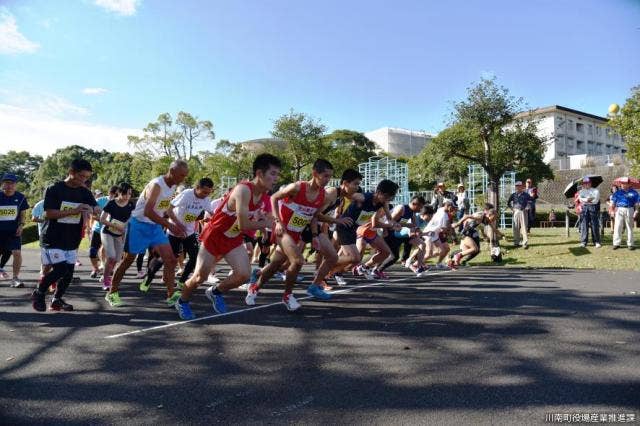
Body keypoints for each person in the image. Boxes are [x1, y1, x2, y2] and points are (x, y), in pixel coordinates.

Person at [174, 154, 280, 320]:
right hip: (214, 236)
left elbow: (264, 218)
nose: (276, 178)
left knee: (244, 274)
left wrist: (270, 220)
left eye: (277, 174)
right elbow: (245, 224)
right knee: (199, 277)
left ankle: (215, 291)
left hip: (233, 238)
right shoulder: (243, 190)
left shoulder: (264, 195)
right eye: (273, 174)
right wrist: (267, 224)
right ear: (259, 173)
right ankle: (182, 301)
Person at [245, 159, 335, 310]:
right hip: (282, 230)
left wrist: (314, 236)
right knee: (298, 261)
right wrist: (277, 221)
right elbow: (274, 198)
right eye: (325, 176)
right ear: (314, 173)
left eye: (330, 177)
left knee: (275, 265)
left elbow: (313, 216)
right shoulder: (297, 187)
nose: (327, 180)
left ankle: (254, 288)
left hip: (296, 233)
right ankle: (288, 296)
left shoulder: (322, 196)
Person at [104, 160, 189, 307]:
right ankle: (112, 292)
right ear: (172, 171)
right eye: (181, 175)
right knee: (128, 260)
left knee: (171, 260)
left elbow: (164, 207)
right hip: (138, 225)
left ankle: (170, 295)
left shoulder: (173, 185)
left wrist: (176, 223)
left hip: (155, 227)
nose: (183, 178)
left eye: (185, 175)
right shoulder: (156, 185)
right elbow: (147, 211)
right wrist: (169, 225)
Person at [31, 159, 99, 312]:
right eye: (81, 176)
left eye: (87, 177)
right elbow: (49, 213)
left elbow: (95, 206)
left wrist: (95, 210)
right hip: (53, 237)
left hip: (72, 238)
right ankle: (39, 292)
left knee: (68, 273)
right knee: (60, 270)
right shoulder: (54, 189)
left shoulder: (84, 192)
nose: (84, 180)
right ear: (71, 172)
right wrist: (74, 211)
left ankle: (56, 300)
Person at [139, 177, 214, 292]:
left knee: (195, 257)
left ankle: (182, 281)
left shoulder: (206, 199)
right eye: (204, 192)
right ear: (197, 188)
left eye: (209, 193)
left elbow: (212, 214)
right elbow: (169, 210)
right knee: (164, 258)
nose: (206, 195)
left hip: (188, 232)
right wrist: (178, 225)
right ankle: (148, 278)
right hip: (174, 230)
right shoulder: (186, 194)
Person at [333, 180, 400, 281]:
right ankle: (330, 266)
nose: (388, 200)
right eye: (386, 197)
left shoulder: (383, 203)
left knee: (381, 253)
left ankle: (336, 270)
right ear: (379, 192)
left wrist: (394, 224)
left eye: (390, 197)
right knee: (354, 258)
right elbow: (345, 193)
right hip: (344, 227)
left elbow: (390, 219)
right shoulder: (364, 197)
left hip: (355, 229)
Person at [378, 196, 427, 276]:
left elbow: (414, 225)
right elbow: (389, 221)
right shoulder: (402, 208)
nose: (420, 210)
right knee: (393, 257)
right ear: (415, 204)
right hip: (389, 233)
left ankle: (418, 266)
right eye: (420, 207)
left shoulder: (413, 212)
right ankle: (375, 269)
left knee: (422, 244)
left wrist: (417, 229)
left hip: (400, 232)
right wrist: (407, 225)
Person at [99, 183, 135, 291]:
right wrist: (115, 226)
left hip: (120, 234)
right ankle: (106, 281)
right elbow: (102, 219)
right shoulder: (111, 203)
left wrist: (125, 227)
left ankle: (107, 275)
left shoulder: (130, 204)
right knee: (111, 256)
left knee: (117, 259)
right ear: (119, 193)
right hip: (107, 232)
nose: (128, 196)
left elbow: (131, 217)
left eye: (129, 194)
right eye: (125, 193)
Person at [0, 173, 29, 287]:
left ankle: (15, 278)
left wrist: (21, 225)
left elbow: (22, 214)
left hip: (13, 232)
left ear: (15, 185)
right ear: (3, 184)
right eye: (6, 183)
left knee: (17, 253)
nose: (9, 185)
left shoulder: (21, 197)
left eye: (11, 183)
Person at [88, 187, 117, 279]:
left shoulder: (119, 203)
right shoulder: (100, 201)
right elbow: (93, 215)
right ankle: (95, 268)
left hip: (109, 231)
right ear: (109, 193)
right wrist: (104, 219)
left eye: (117, 195)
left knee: (106, 250)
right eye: (114, 195)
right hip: (97, 229)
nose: (115, 197)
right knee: (92, 251)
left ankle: (105, 267)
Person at [422, 200, 457, 269]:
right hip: (429, 233)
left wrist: (448, 228)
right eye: (451, 207)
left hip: (434, 234)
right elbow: (443, 230)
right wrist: (452, 227)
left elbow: (445, 226)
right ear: (447, 206)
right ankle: (417, 263)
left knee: (445, 249)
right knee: (429, 254)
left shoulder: (441, 209)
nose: (452, 209)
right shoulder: (444, 215)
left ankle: (438, 263)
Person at [611, 177, 639, 250]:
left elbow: (636, 203)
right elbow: (613, 203)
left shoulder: (634, 192)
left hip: (630, 209)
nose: (623, 185)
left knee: (629, 227)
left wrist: (636, 211)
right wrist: (612, 211)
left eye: (625, 183)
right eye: (622, 183)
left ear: (629, 184)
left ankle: (630, 244)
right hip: (619, 209)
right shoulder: (617, 192)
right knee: (618, 226)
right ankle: (616, 243)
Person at [577, 177, 601, 248]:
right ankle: (583, 242)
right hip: (584, 208)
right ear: (583, 184)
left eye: (588, 183)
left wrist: (586, 200)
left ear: (590, 183)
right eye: (585, 183)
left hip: (593, 207)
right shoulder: (581, 191)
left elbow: (596, 200)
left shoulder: (596, 190)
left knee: (594, 225)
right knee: (584, 225)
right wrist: (588, 199)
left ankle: (596, 241)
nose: (586, 184)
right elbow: (581, 200)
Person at [507, 181, 532, 249]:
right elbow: (508, 203)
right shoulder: (513, 195)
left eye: (519, 186)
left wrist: (527, 207)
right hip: (515, 211)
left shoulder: (526, 194)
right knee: (515, 228)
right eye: (516, 186)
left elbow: (530, 201)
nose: (518, 187)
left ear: (522, 186)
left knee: (524, 227)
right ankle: (516, 242)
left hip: (523, 211)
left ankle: (525, 243)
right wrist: (512, 209)